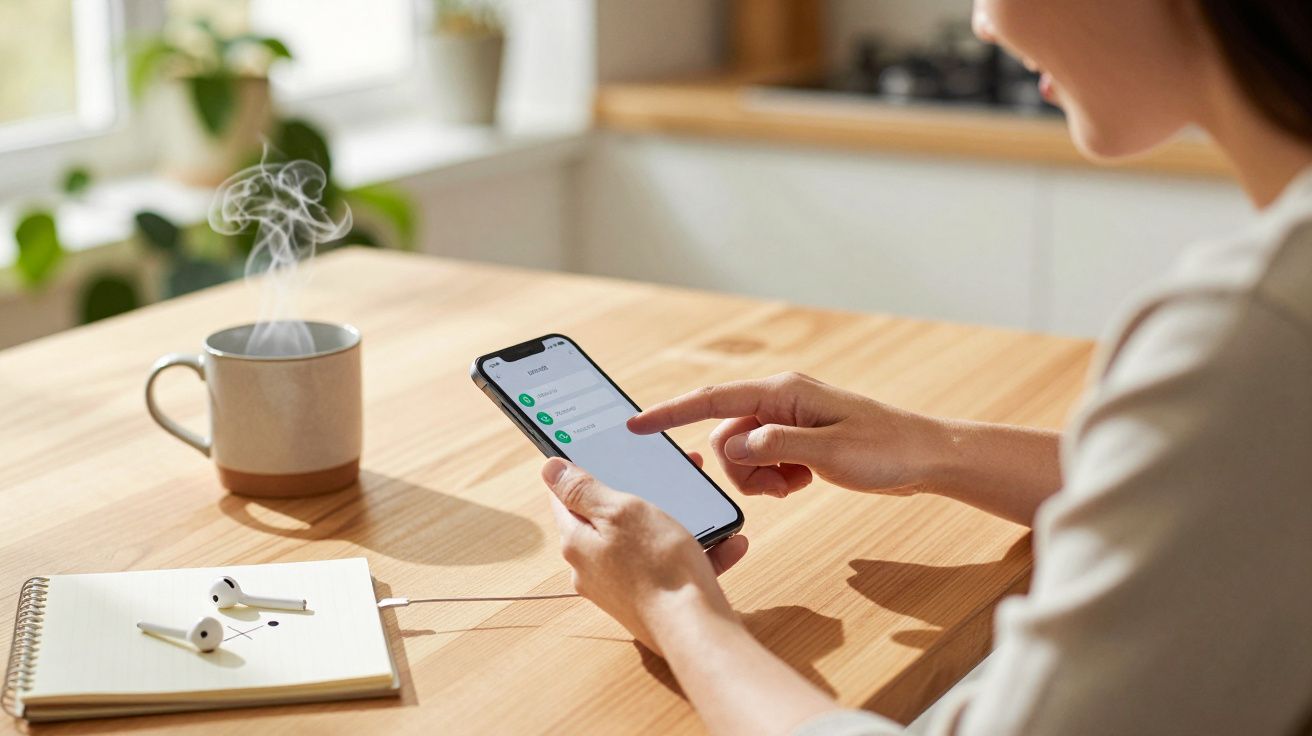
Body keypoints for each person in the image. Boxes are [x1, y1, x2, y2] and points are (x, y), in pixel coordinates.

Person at [539, 1, 1312, 733]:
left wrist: (675, 604)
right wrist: (934, 448)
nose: (983, 24)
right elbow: (1257, 477)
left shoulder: (1253, 326)